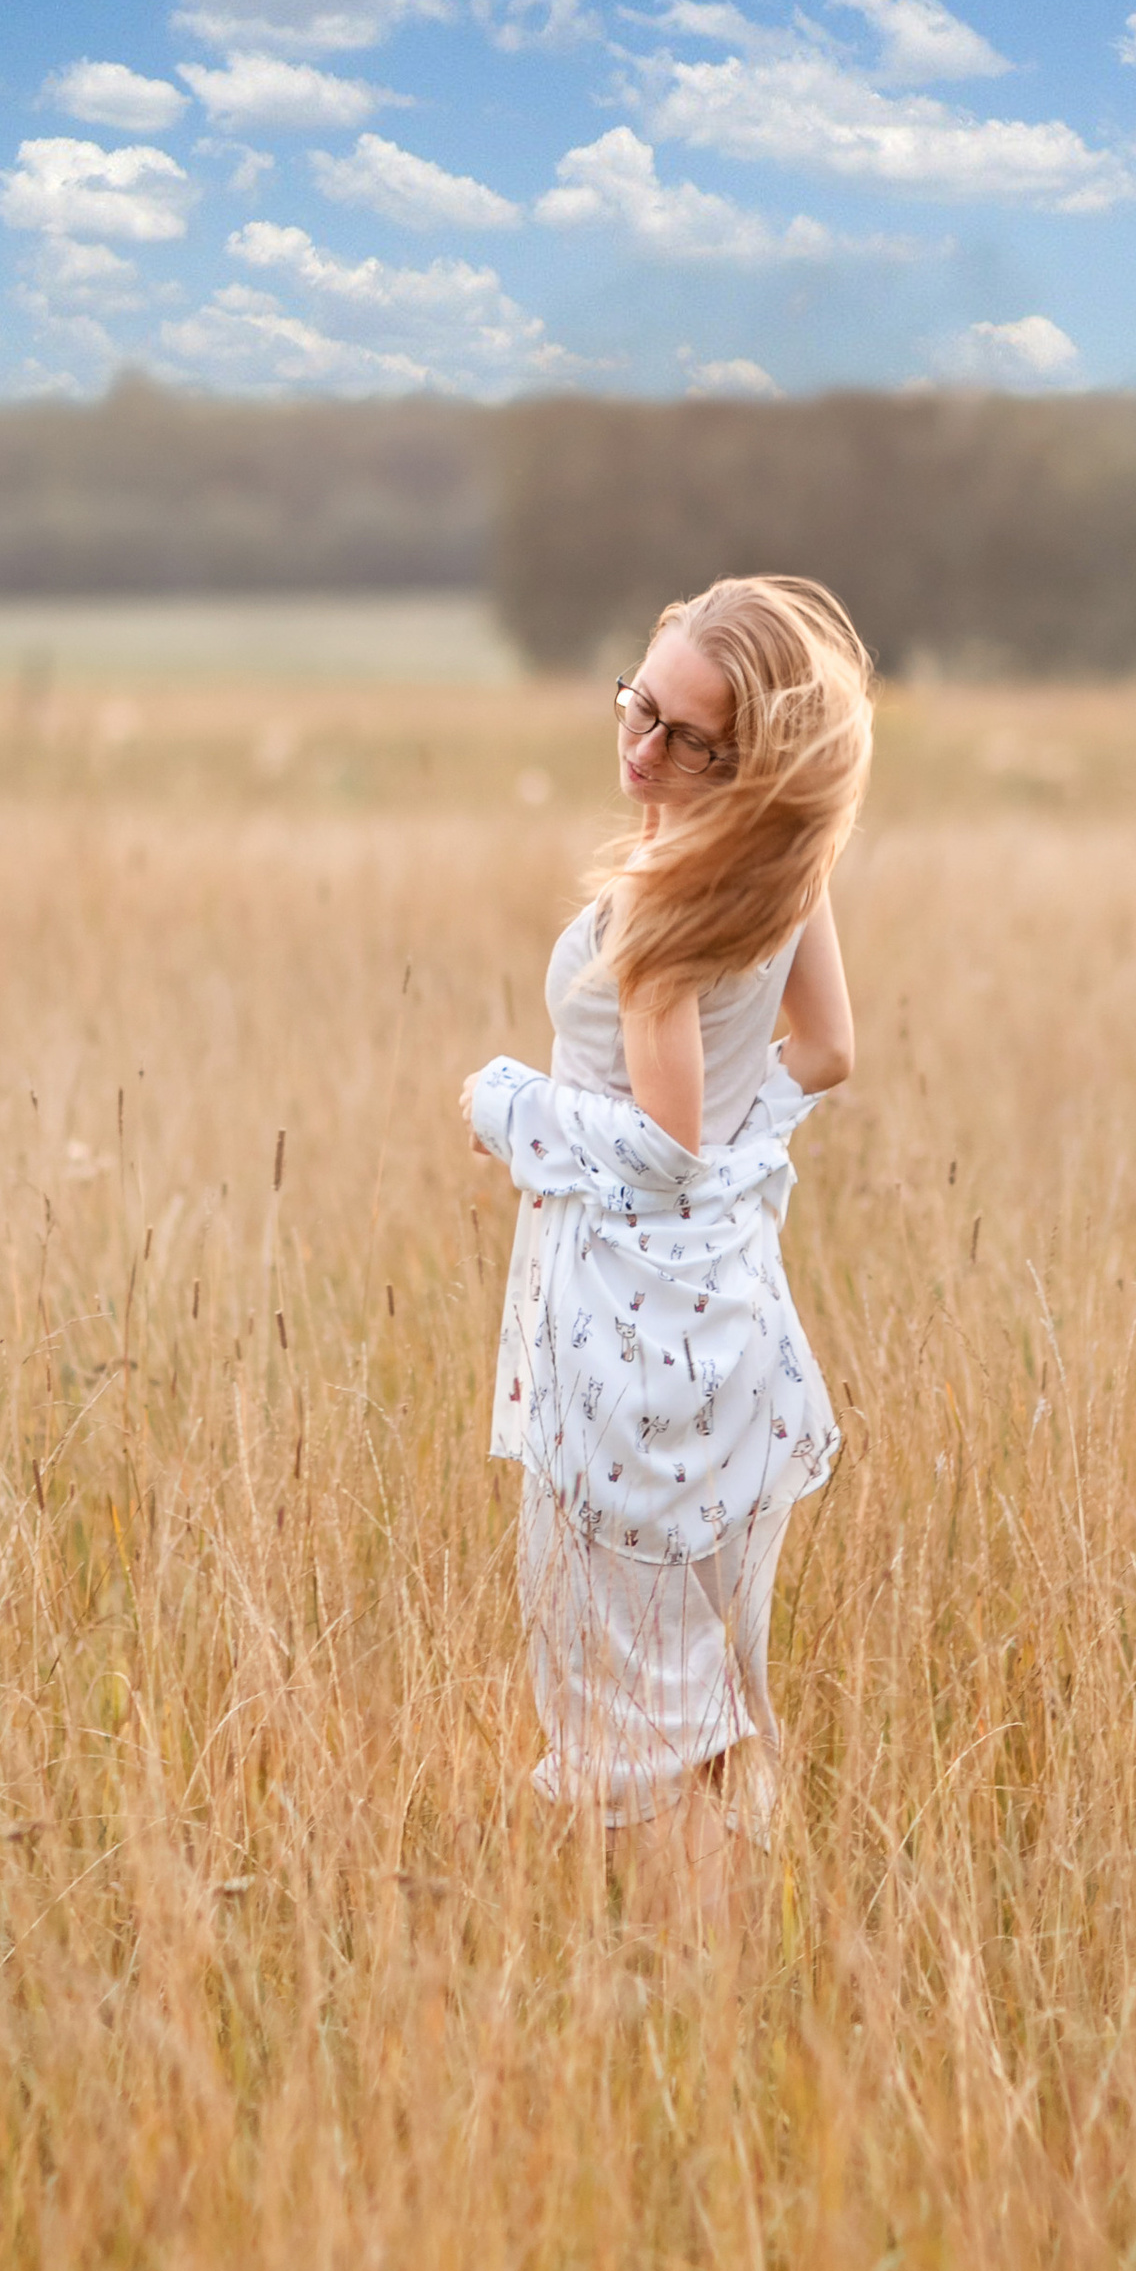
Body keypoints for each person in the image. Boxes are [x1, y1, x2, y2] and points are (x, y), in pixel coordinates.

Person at [462, 576, 872, 1921]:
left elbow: (663, 1140)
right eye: (641, 708)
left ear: (749, 765)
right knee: (707, 1703)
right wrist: (748, 1170)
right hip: (736, 1327)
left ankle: (697, 1995)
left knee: (639, 1718)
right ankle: (721, 1984)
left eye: (690, 742)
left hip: (629, 1356)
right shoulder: (781, 875)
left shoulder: (658, 909)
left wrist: (502, 1101)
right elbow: (828, 1055)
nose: (643, 752)